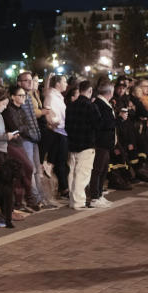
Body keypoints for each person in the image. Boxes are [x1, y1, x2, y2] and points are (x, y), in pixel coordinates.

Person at [0, 86, 38, 212]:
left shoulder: (21, 109)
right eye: (20, 95)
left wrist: (20, 129)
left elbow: (27, 126)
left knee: (25, 169)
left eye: (24, 95)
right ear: (12, 97)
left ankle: (22, 200)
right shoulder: (8, 110)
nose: (23, 98)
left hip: (19, 142)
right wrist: (21, 129)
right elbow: (14, 127)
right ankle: (25, 199)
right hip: (10, 143)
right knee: (26, 167)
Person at [64, 80, 98, 210]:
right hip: (87, 143)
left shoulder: (71, 105)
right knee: (82, 174)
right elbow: (98, 125)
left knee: (72, 173)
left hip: (72, 143)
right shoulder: (91, 106)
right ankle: (79, 202)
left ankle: (73, 200)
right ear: (89, 91)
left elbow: (66, 125)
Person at [44, 75, 70, 199]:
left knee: (61, 162)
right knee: (60, 162)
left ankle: (63, 188)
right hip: (57, 132)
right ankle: (64, 189)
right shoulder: (52, 96)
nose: (66, 84)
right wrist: (56, 121)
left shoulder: (58, 96)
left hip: (62, 131)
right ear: (58, 83)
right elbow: (49, 113)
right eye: (64, 81)